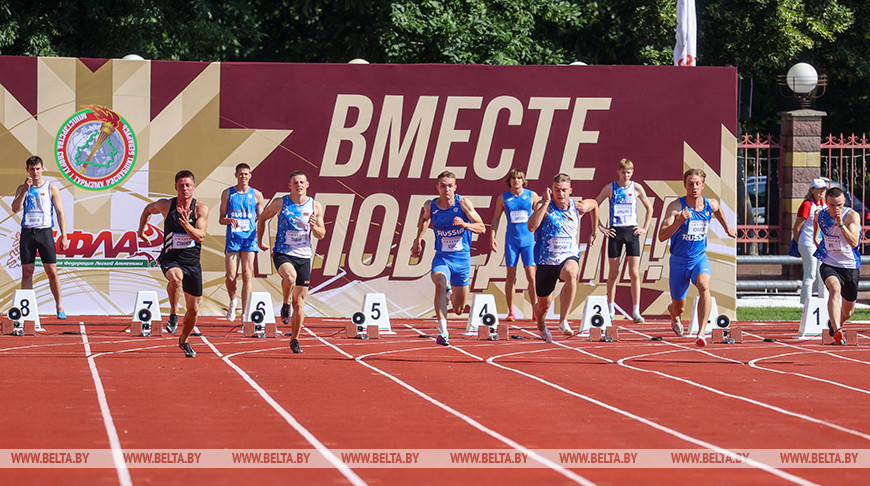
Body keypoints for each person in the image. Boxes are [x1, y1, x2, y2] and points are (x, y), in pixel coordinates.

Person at [658, 168, 737, 347]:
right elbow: (662, 236)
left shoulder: (710, 204)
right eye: (690, 184)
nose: (694, 187)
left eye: (697, 184)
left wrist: (727, 229)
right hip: (678, 262)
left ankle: (701, 333)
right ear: (685, 185)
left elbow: (718, 211)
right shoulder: (676, 207)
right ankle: (673, 313)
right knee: (680, 308)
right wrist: (679, 222)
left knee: (704, 286)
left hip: (699, 259)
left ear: (703, 185)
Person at [138, 170, 208, 358]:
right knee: (176, 279)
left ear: (193, 187)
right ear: (175, 187)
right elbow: (147, 209)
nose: (184, 188)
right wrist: (141, 230)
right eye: (181, 185)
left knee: (193, 310)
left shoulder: (201, 209)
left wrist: (187, 225)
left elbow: (200, 237)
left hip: (192, 263)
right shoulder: (166, 205)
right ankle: (174, 313)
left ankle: (183, 340)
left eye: (188, 185)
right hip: (171, 258)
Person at [412, 171, 486, 345]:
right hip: (442, 258)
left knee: (459, 309)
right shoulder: (431, 205)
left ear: (455, 187)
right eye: (443, 185)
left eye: (450, 186)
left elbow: (481, 227)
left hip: (462, 261)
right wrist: (418, 240)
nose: (447, 189)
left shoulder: (463, 203)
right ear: (437, 187)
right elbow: (424, 219)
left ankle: (450, 292)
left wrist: (464, 224)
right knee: (439, 282)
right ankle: (443, 332)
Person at [257, 170, 326, 354]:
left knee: (300, 304)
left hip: (303, 255)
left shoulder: (315, 205)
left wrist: (314, 226)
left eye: (302, 182)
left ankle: (294, 339)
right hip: (283, 252)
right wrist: (259, 241)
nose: (299, 185)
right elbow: (263, 218)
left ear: (307, 184)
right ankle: (285, 302)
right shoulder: (281, 202)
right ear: (290, 186)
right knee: (290, 277)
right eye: (295, 182)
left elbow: (322, 233)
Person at [528, 173, 599, 341]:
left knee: (571, 273)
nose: (560, 194)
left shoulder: (578, 207)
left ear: (570, 191)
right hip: (546, 261)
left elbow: (595, 205)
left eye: (564, 190)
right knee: (543, 306)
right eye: (557, 190)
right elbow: (531, 226)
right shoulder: (544, 206)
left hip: (568, 255)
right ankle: (540, 324)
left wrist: (594, 230)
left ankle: (564, 320)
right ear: (552, 190)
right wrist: (545, 203)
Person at [594, 158, 653, 323]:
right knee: (613, 273)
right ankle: (610, 309)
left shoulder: (636, 187)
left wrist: (644, 228)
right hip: (615, 232)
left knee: (634, 273)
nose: (626, 175)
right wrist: (600, 227)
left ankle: (636, 311)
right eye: (623, 172)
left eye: (629, 172)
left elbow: (650, 207)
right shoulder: (610, 188)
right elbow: (595, 205)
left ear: (632, 173)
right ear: (618, 172)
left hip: (632, 231)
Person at [11, 155, 70, 319]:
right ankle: (27, 308)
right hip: (28, 233)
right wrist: (24, 189)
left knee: (51, 271)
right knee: (27, 272)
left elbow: (60, 212)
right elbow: (15, 208)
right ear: (27, 170)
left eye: (38, 169)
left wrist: (64, 236)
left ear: (43, 169)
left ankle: (59, 306)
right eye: (32, 169)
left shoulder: (51, 187)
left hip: (44, 232)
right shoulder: (22, 188)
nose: (35, 172)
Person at [813, 186, 861, 345]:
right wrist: (816, 237)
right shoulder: (821, 214)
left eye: (839, 205)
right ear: (826, 203)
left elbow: (854, 243)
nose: (836, 209)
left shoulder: (851, 216)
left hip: (849, 266)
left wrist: (841, 225)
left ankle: (835, 324)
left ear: (844, 202)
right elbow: (816, 221)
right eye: (832, 205)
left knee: (848, 311)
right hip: (829, 263)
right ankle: (838, 331)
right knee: (834, 289)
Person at [490, 169, 539, 321]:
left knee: (531, 275)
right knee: (510, 276)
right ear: (509, 181)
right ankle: (511, 312)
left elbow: (540, 215)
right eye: (513, 178)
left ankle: (535, 309)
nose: (516, 180)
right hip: (512, 240)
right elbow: (496, 218)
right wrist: (492, 237)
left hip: (528, 240)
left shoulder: (532, 195)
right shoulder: (503, 198)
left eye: (519, 178)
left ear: (523, 180)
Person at [219, 163, 265, 323]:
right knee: (231, 276)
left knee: (247, 274)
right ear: (236, 175)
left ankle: (245, 314)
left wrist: (259, 232)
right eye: (241, 174)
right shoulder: (228, 194)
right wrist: (229, 220)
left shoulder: (257, 195)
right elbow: (221, 219)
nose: (243, 177)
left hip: (249, 239)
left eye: (246, 174)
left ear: (250, 175)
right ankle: (233, 301)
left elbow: (262, 218)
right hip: (233, 239)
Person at [792, 178, 828, 304]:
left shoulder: (825, 204)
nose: (821, 191)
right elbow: (797, 228)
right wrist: (799, 242)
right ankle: (805, 303)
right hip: (808, 242)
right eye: (818, 189)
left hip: (821, 243)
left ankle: (824, 302)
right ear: (812, 190)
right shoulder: (807, 204)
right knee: (810, 273)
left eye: (823, 189)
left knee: (823, 273)